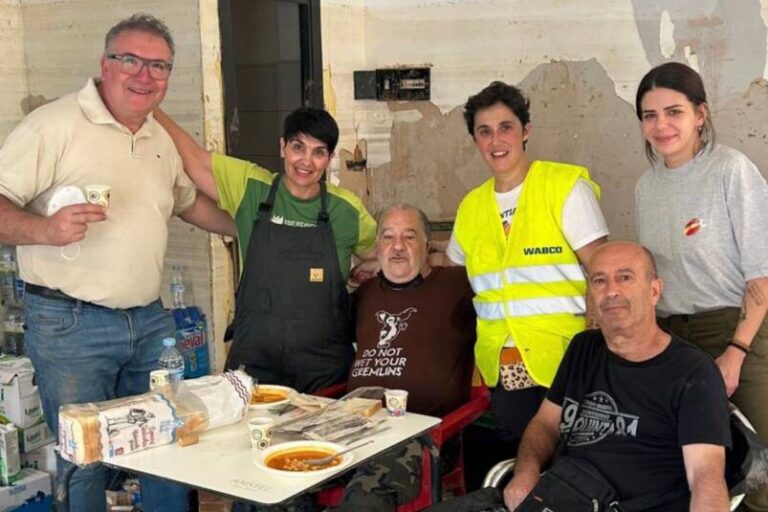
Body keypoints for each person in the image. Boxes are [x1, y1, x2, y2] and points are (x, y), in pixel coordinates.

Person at [0, 13, 234, 512]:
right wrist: (44, 229)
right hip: (70, 324)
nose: (144, 75)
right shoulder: (53, 125)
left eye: (159, 66)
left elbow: (186, 202)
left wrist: (254, 230)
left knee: (167, 441)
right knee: (84, 457)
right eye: (131, 60)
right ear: (105, 64)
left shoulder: (159, 137)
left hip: (149, 320)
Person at [153, 107, 377, 393]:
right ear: (282, 147)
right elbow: (193, 159)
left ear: (330, 158)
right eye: (298, 147)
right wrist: (150, 106)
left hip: (325, 369)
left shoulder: (346, 209)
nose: (306, 161)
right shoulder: (252, 188)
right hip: (255, 363)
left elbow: (380, 257)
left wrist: (366, 270)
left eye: (318, 152)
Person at [504, 242, 731, 512]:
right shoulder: (583, 348)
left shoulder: (693, 371)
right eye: (599, 280)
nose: (611, 291)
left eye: (625, 277)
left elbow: (705, 477)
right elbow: (545, 423)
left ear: (654, 291)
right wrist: (525, 472)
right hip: (563, 496)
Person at [445, 81, 608, 454]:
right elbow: (449, 269)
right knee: (525, 468)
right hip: (506, 372)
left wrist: (599, 351)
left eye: (506, 127)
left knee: (575, 470)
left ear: (525, 132)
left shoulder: (563, 186)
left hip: (568, 364)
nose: (495, 140)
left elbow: (602, 274)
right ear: (475, 140)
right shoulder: (471, 207)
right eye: (484, 131)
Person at [634, 61, 768, 511]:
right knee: (693, 466)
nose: (662, 125)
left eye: (674, 111)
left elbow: (762, 273)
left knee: (760, 472)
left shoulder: (731, 170)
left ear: (700, 114)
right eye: (650, 115)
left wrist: (737, 352)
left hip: (736, 331)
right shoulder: (645, 187)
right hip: (673, 337)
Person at [340, 203, 476, 511]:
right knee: (278, 476)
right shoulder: (365, 293)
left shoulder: (457, 285)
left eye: (409, 237)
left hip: (422, 434)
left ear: (427, 245)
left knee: (365, 496)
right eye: (388, 237)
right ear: (377, 248)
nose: (398, 246)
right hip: (352, 424)